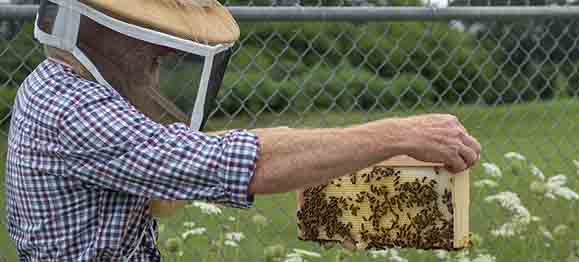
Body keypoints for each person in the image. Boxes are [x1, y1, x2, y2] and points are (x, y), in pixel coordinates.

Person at [4, 0, 481, 261]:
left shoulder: (67, 88)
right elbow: (235, 163)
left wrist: (343, 189)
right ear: (99, 28)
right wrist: (393, 135)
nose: (167, 52)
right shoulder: (73, 108)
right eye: (148, 29)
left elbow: (176, 165)